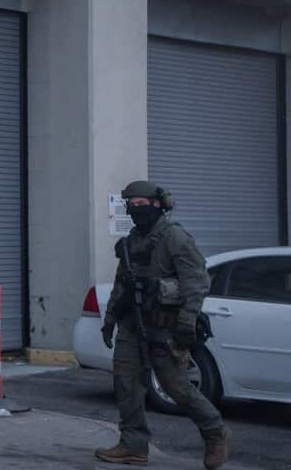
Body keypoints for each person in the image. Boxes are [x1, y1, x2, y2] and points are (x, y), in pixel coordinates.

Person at [95, 180, 230, 468]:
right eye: (130, 205)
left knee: (177, 387)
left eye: (141, 205)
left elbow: (196, 283)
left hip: (166, 327)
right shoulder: (132, 241)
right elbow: (122, 285)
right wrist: (109, 322)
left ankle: (215, 431)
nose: (134, 210)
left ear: (158, 204)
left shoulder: (175, 238)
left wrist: (185, 321)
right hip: (132, 325)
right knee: (127, 385)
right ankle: (133, 445)